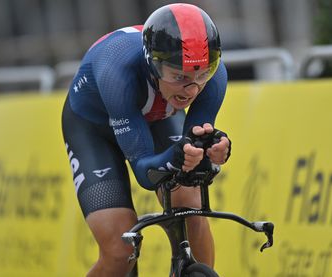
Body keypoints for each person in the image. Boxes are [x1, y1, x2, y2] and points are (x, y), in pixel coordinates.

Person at [62, 3, 231, 276]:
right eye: (179, 77)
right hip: (93, 129)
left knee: (190, 208)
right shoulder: (119, 71)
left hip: (155, 118)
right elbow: (145, 171)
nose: (191, 90)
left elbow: (194, 144)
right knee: (120, 250)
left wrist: (211, 149)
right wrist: (176, 157)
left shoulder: (214, 76)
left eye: (201, 76)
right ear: (153, 65)